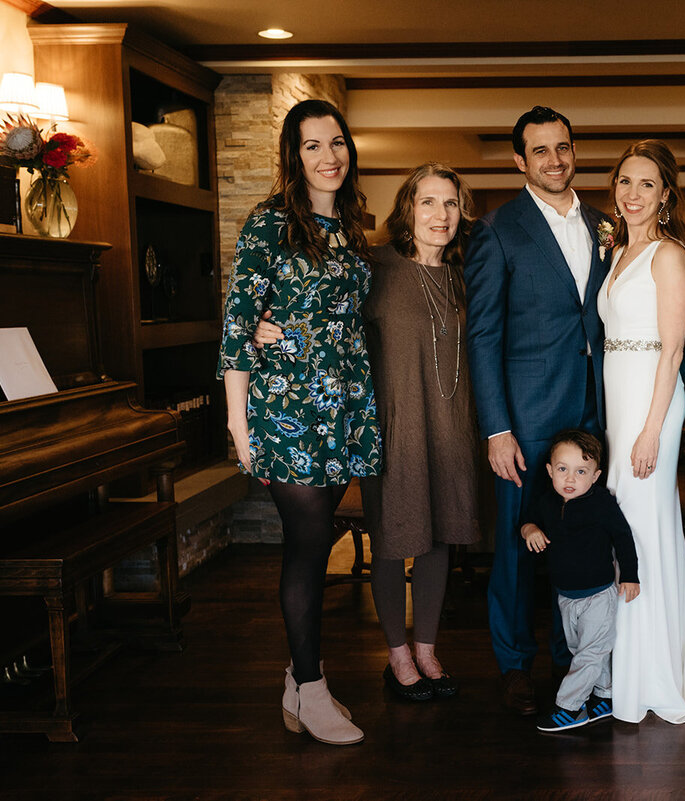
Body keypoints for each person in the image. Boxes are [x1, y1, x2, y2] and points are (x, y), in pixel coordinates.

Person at [254, 163, 481, 703]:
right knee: (392, 539)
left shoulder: (468, 273)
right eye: (428, 202)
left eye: (450, 204)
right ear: (408, 209)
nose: (440, 215)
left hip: (451, 425)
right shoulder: (372, 265)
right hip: (390, 425)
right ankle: (397, 656)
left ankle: (427, 649)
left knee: (439, 539)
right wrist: (268, 322)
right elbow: (315, 304)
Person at [217, 98, 380, 746]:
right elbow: (236, 323)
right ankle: (310, 688)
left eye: (336, 142)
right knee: (308, 548)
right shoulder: (268, 224)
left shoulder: (351, 226)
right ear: (294, 155)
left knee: (315, 545)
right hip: (288, 413)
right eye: (312, 145)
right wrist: (239, 425)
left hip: (344, 409)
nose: (328, 155)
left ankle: (299, 675)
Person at [465, 106, 611, 716]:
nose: (556, 160)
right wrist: (497, 427)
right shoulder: (498, 230)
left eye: (564, 147)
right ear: (519, 161)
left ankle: (570, 657)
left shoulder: (607, 225)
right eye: (541, 151)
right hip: (524, 422)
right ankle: (515, 664)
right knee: (517, 546)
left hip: (594, 415)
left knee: (581, 544)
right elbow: (482, 335)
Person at [597, 139, 685, 724]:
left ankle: (655, 674)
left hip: (653, 406)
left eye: (647, 184)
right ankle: (627, 662)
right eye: (625, 182)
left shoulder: (669, 255)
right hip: (618, 405)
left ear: (666, 195)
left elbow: (672, 351)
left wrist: (649, 432)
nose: (634, 194)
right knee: (624, 526)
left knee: (644, 530)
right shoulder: (619, 250)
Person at [520, 430, 640, 732]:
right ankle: (605, 696)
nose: (570, 479)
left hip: (598, 596)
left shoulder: (601, 503)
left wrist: (629, 576)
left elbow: (623, 538)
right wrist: (529, 530)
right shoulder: (547, 501)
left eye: (581, 471)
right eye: (562, 469)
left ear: (596, 475)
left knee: (590, 653)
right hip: (566, 596)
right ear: (550, 471)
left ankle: (570, 707)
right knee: (581, 650)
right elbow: (527, 520)